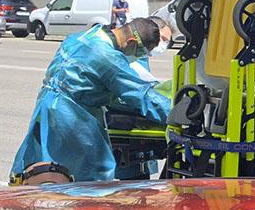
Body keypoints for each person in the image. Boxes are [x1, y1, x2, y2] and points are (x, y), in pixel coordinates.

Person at [11, 16, 173, 185]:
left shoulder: (84, 36)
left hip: (46, 106)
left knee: (40, 165)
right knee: (92, 174)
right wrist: (176, 115)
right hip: (72, 116)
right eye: (141, 53)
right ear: (131, 42)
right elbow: (140, 94)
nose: (138, 57)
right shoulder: (108, 58)